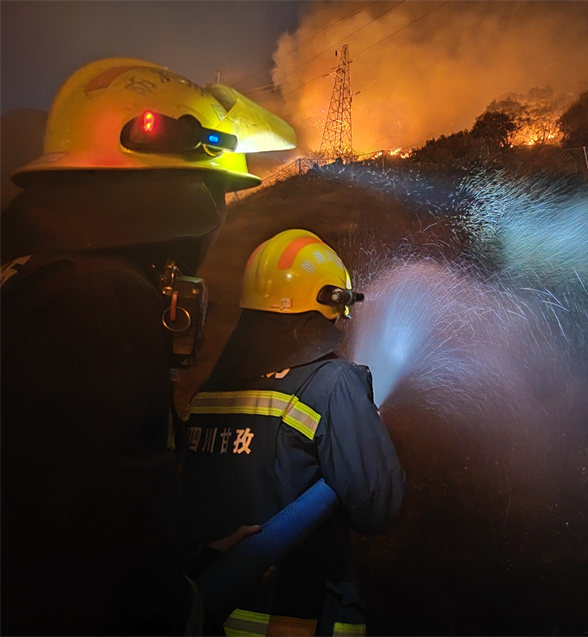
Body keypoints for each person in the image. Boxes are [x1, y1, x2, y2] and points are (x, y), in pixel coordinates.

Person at [0, 57, 297, 635]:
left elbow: (75, 492)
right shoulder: (93, 297)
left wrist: (186, 557)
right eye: (219, 192)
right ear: (187, 193)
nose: (217, 216)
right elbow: (94, 550)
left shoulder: (38, 275)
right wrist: (178, 608)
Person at [180, 229, 404, 636]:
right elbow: (377, 507)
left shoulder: (206, 393)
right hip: (297, 618)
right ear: (329, 304)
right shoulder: (333, 383)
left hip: (203, 615)